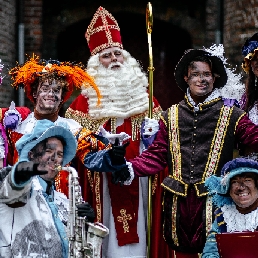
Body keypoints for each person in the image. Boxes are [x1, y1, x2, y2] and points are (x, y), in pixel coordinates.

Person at [119, 48, 258, 258]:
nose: (201, 80)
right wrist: (129, 167)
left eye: (206, 74)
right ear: (187, 78)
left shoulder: (232, 115)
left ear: (214, 78)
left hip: (216, 206)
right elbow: (157, 155)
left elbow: (254, 138)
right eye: (196, 74)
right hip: (177, 208)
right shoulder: (170, 115)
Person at [64, 6, 169, 258]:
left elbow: (163, 146)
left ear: (126, 58)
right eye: (106, 56)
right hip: (101, 185)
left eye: (117, 54)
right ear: (95, 64)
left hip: (141, 184)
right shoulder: (82, 105)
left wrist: (149, 140)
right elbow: (74, 149)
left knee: (142, 234)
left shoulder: (147, 100)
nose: (114, 60)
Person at [3, 56, 129, 195]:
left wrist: (112, 156)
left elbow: (90, 157)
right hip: (21, 199)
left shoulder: (72, 128)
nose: (51, 94)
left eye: (57, 90)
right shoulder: (18, 126)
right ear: (35, 93)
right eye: (45, 88)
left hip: (59, 200)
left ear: (62, 97)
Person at [0, 119, 96, 257]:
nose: (54, 158)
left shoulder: (62, 200)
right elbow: (12, 187)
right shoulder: (22, 188)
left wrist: (86, 224)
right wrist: (20, 174)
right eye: (48, 150)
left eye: (60, 154)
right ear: (31, 154)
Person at [202, 157, 258, 257]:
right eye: (234, 182)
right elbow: (210, 252)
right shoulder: (223, 216)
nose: (241, 187)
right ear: (228, 190)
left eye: (247, 180)